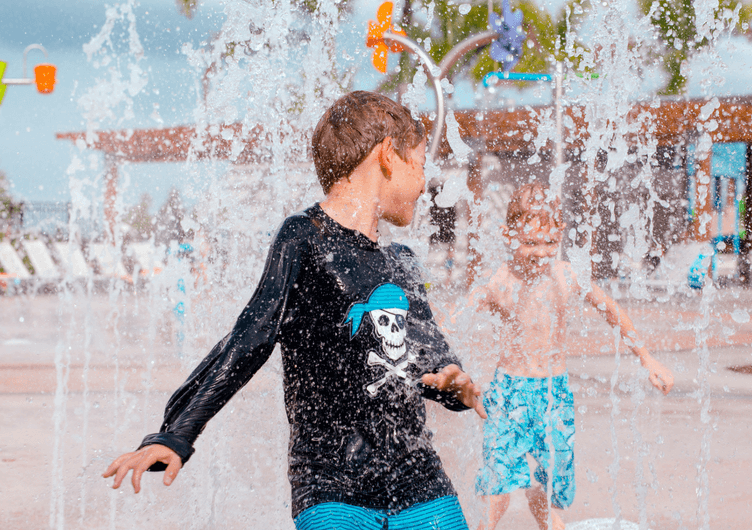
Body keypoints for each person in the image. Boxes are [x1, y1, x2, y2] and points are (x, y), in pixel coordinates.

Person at [103, 91, 486, 530]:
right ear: (386, 155)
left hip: (421, 484)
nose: (423, 182)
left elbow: (426, 356)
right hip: (333, 487)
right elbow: (250, 337)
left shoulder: (403, 261)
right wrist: (177, 432)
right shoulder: (305, 237)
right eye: (418, 164)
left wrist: (453, 386)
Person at [466, 183, 674, 530]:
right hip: (508, 391)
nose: (540, 252)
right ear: (508, 234)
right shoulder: (499, 281)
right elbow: (457, 320)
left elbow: (610, 309)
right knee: (499, 476)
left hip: (554, 391)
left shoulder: (567, 276)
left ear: (560, 232)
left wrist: (647, 358)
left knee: (553, 474)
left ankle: (551, 521)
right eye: (530, 243)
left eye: (549, 242)